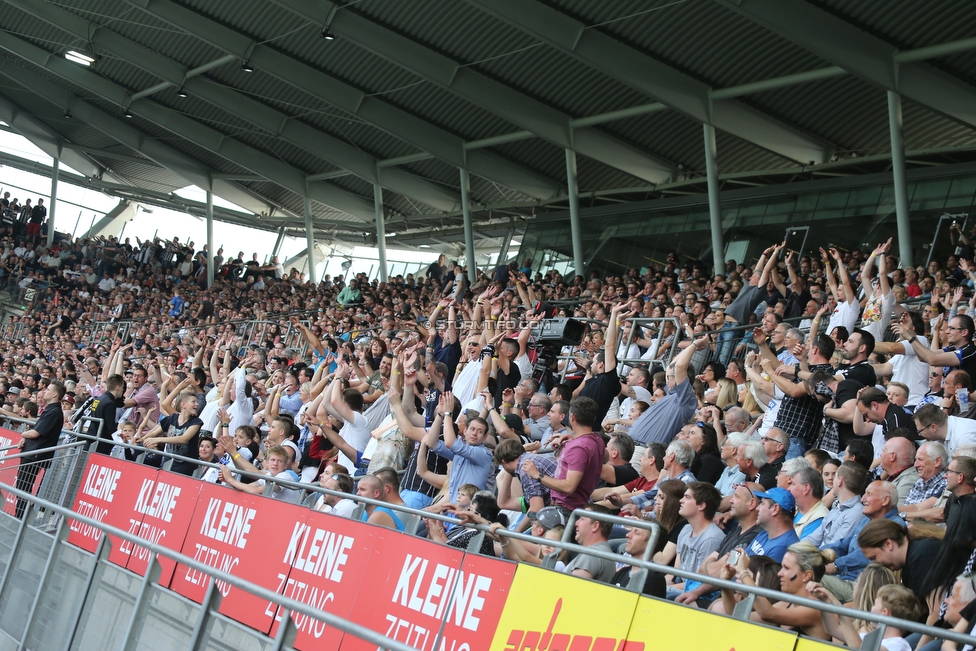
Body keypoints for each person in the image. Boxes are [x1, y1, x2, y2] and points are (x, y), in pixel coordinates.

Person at [721, 541, 831, 640]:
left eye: (786, 568)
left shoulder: (815, 608)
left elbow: (768, 613)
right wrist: (725, 582)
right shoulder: (787, 603)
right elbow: (736, 616)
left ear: (806, 576)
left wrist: (743, 572)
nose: (779, 573)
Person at [521, 396, 605, 516]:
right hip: (569, 507)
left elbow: (569, 487)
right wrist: (573, 437)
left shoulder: (578, 447)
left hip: (566, 509)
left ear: (572, 417)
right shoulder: (597, 440)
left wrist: (536, 474)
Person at [810, 582, 921, 651]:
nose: (871, 609)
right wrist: (823, 601)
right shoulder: (868, 637)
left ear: (885, 612)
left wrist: (837, 605)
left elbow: (859, 648)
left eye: (874, 605)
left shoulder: (898, 645)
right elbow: (833, 629)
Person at [427, 391, 492, 503]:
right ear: (465, 431)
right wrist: (440, 415)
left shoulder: (483, 453)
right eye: (472, 429)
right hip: (452, 511)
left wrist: (448, 414)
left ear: (485, 437)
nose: (474, 434)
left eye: (479, 431)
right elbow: (432, 442)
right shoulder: (460, 452)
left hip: (468, 515)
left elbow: (450, 443)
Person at [858, 519, 943, 603]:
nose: (876, 563)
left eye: (874, 557)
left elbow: (935, 611)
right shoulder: (908, 563)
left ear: (888, 544)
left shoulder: (923, 555)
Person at [16, 381, 65, 518]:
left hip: (35, 456)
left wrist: (23, 434)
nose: (45, 391)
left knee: (23, 489)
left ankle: (21, 519)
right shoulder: (50, 410)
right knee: (22, 488)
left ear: (54, 394)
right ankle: (20, 518)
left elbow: (35, 433)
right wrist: (26, 438)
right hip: (32, 453)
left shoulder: (54, 412)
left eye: (48, 389)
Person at [668, 482, 724, 600]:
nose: (681, 501)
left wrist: (662, 587)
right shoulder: (685, 529)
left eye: (687, 497)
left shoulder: (711, 538)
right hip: (680, 585)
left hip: (695, 595)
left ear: (701, 506)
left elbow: (698, 583)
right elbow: (676, 573)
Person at [219, 445, 300, 504]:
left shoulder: (284, 476)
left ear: (285, 465)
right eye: (273, 460)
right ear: (267, 463)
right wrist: (228, 481)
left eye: (279, 461)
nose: (275, 464)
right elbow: (248, 487)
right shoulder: (269, 475)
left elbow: (255, 491)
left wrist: (230, 479)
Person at [564, 504, 616, 583]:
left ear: (595, 526)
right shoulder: (600, 551)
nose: (576, 523)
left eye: (582, 519)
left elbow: (572, 589)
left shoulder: (592, 554)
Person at [748, 487, 800, 562]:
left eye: (762, 503)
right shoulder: (766, 533)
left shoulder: (782, 547)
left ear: (775, 509)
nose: (757, 508)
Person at [89, 374, 124, 455]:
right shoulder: (110, 403)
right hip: (101, 444)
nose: (122, 391)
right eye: (122, 388)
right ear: (117, 387)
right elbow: (110, 428)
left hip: (92, 437)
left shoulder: (98, 399)